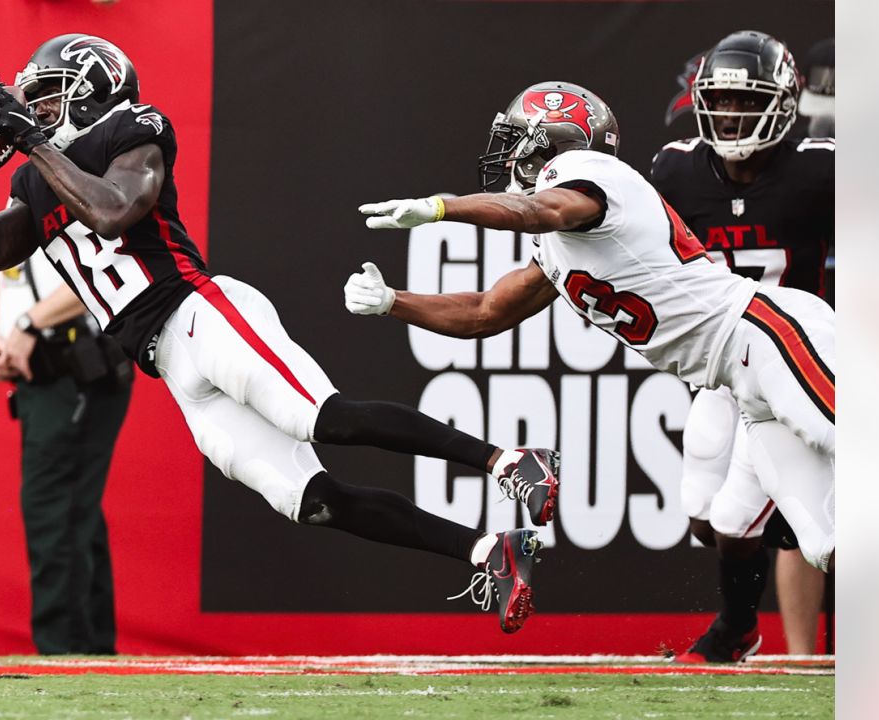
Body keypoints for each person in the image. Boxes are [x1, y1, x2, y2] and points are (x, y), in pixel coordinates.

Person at [0, 33, 562, 634]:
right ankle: (490, 553)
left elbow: (114, 209)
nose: (37, 109)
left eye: (51, 94)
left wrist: (31, 141)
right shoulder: (36, 179)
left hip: (200, 314)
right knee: (312, 500)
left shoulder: (136, 128)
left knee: (324, 418)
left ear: (94, 89)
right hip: (166, 363)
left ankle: (510, 461)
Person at [347, 80, 835, 618]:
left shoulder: (591, 179)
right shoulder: (557, 246)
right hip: (738, 383)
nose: (508, 152)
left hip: (767, 335)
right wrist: (395, 301)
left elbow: (542, 211)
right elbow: (487, 311)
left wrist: (444, 208)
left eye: (518, 139)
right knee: (824, 542)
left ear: (553, 142)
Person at [649, 30, 834, 662]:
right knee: (705, 516)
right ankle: (739, 622)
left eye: (744, 102)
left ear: (784, 102)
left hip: (796, 364)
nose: (730, 117)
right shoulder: (676, 170)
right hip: (724, 367)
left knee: (820, 527)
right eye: (721, 102)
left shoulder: (820, 168)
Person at [0, 250, 133, 654]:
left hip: (77, 368)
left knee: (55, 510)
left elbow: (109, 276)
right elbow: (13, 277)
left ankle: (65, 657)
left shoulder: (84, 188)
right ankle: (90, 656)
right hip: (45, 376)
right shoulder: (25, 190)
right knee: (73, 512)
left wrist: (28, 324)